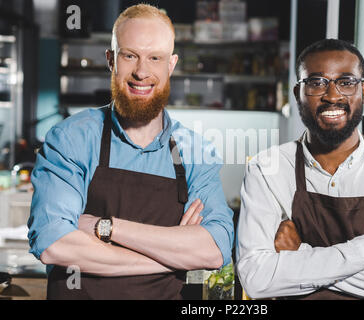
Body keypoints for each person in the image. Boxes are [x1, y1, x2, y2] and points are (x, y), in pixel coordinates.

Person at [28, 4, 234, 300]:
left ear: (171, 65)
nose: (141, 71)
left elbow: (215, 251)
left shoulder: (194, 152)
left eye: (155, 58)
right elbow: (54, 244)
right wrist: (168, 257)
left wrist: (106, 228)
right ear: (111, 60)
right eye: (130, 55)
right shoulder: (72, 137)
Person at [236, 39, 364, 300]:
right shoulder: (267, 170)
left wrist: (301, 257)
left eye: (346, 82)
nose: (332, 96)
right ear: (298, 93)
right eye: (317, 82)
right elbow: (257, 279)